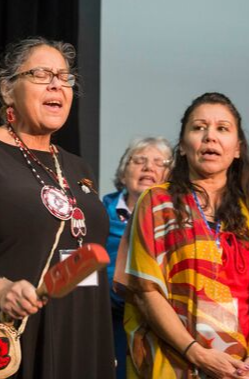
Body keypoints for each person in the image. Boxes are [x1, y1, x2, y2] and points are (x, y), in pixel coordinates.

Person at [0, 37, 115, 378]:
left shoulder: (79, 168)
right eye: (42, 74)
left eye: (65, 77)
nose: (57, 84)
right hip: (10, 339)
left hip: (80, 336)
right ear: (7, 89)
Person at [115, 92, 249, 378]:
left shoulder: (246, 213)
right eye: (199, 127)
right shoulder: (156, 202)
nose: (210, 137)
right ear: (183, 147)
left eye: (222, 129)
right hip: (173, 363)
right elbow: (145, 292)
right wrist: (197, 354)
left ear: (237, 148)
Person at [103, 136, 172, 379]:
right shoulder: (96, 217)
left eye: (159, 163)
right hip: (111, 331)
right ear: (123, 174)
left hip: (166, 336)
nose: (148, 168)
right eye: (139, 161)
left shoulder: (180, 223)